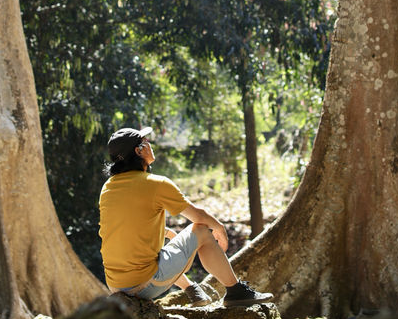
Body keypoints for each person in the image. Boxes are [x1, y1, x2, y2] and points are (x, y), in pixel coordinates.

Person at [98, 126, 274, 307]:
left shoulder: (108, 188)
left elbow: (126, 226)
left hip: (116, 286)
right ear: (139, 150)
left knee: (161, 251)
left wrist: (165, 232)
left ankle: (192, 290)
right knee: (202, 230)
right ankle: (236, 292)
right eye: (146, 142)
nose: (150, 145)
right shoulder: (156, 184)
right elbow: (198, 216)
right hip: (145, 285)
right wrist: (219, 228)